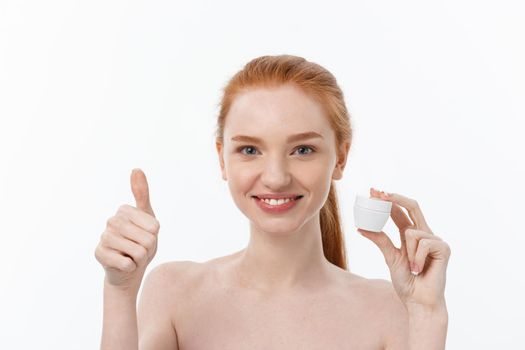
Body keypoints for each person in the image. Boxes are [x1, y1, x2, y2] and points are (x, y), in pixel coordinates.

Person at [95, 54, 451, 349]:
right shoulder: (172, 292)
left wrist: (426, 317)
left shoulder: (390, 309)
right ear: (223, 159)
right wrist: (120, 290)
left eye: (303, 150)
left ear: (340, 158)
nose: (276, 177)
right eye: (250, 149)